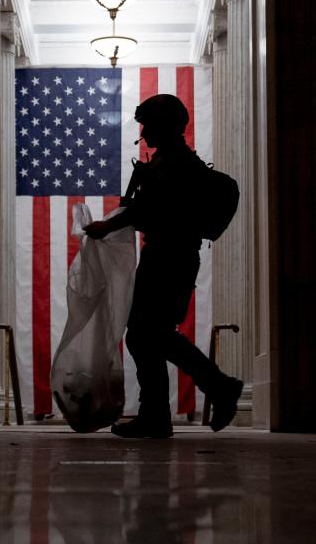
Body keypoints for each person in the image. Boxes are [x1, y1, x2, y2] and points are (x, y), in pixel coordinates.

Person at [84, 94, 243, 438]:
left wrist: (105, 226)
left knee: (146, 335)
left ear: (165, 126)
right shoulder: (169, 163)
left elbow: (146, 212)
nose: (143, 131)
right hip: (167, 255)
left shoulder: (177, 165)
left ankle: (211, 390)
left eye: (148, 124)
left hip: (171, 257)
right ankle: (164, 411)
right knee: (147, 336)